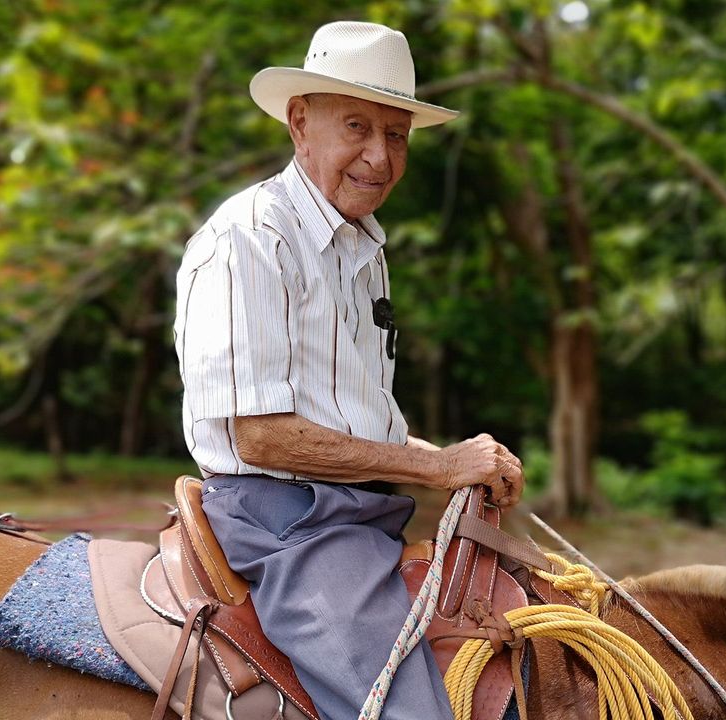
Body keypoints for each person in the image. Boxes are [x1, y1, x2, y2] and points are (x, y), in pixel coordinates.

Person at [173, 21, 526, 720]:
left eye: (396, 135)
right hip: (282, 522)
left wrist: (456, 461)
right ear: (300, 123)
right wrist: (437, 468)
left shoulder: (361, 246)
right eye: (357, 127)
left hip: (357, 512)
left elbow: (350, 417)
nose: (379, 157)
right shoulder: (250, 237)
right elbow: (263, 439)